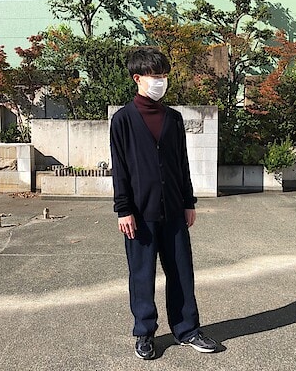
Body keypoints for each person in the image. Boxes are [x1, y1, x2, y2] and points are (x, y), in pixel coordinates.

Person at [110, 47, 217, 360]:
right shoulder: (123, 120)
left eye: (164, 76)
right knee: (142, 275)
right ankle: (144, 332)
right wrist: (123, 210)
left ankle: (187, 329)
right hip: (139, 214)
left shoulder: (173, 118)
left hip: (173, 210)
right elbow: (120, 168)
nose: (161, 81)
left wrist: (189, 201)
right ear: (138, 78)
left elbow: (181, 164)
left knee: (181, 272)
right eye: (155, 76)